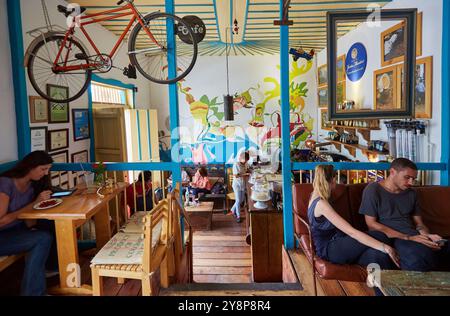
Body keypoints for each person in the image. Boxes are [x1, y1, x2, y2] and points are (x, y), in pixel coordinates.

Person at [308, 165, 400, 283]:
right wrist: (385, 247)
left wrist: (382, 249)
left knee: (377, 256)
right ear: (333, 180)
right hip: (330, 249)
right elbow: (352, 232)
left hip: (336, 244)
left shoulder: (313, 196)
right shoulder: (321, 204)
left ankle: (384, 291)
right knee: (381, 236)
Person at [360, 158, 450, 272]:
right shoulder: (373, 190)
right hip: (393, 238)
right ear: (392, 172)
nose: (411, 183)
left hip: (414, 236)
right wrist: (408, 237)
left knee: (443, 246)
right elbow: (371, 225)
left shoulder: (412, 193)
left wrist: (427, 236)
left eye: (413, 179)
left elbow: (419, 224)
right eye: (407, 177)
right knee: (420, 256)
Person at [0, 151, 54, 296]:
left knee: (45, 234)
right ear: (31, 166)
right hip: (2, 236)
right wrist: (33, 205)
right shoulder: (6, 183)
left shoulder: (32, 186)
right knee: (42, 238)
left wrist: (39, 205)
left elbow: (29, 222)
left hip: (15, 231)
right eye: (43, 169)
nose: (45, 173)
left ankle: (35, 289)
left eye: (48, 169)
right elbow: (1, 221)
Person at [230, 151, 250, 223]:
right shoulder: (236, 164)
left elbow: (245, 170)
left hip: (242, 184)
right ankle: (238, 216)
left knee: (241, 200)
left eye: (246, 161)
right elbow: (236, 175)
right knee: (238, 200)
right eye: (245, 160)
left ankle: (232, 210)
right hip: (237, 185)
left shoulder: (244, 164)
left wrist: (247, 171)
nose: (246, 162)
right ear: (241, 158)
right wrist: (246, 174)